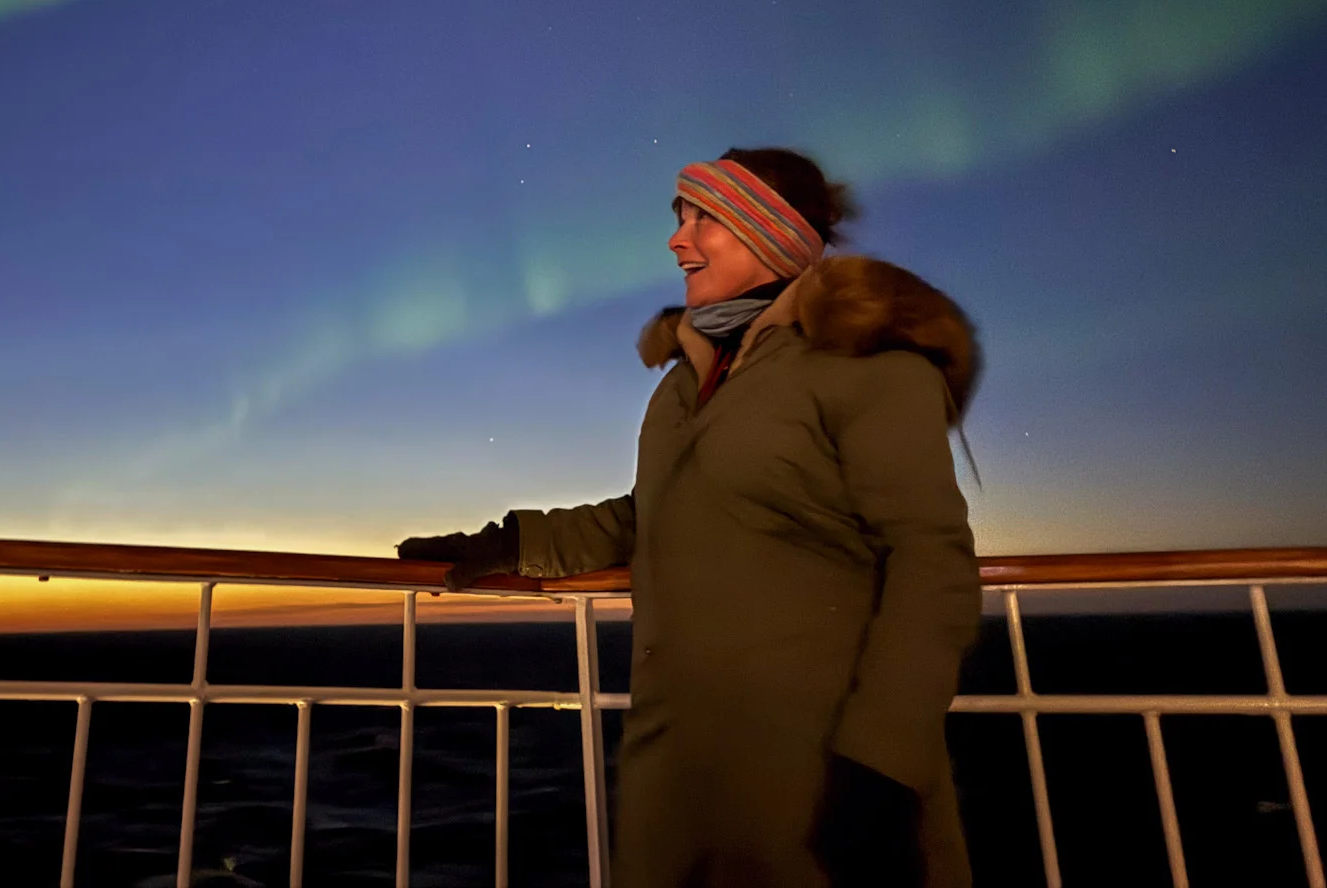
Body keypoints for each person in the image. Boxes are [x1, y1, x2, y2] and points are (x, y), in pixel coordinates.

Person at [399, 148, 982, 888]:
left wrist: (882, 766)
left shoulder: (867, 369)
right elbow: (659, 515)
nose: (678, 239)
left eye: (705, 218)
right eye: (680, 217)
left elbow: (932, 564)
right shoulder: (687, 381)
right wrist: (513, 540)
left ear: (771, 233)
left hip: (819, 773)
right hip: (681, 763)